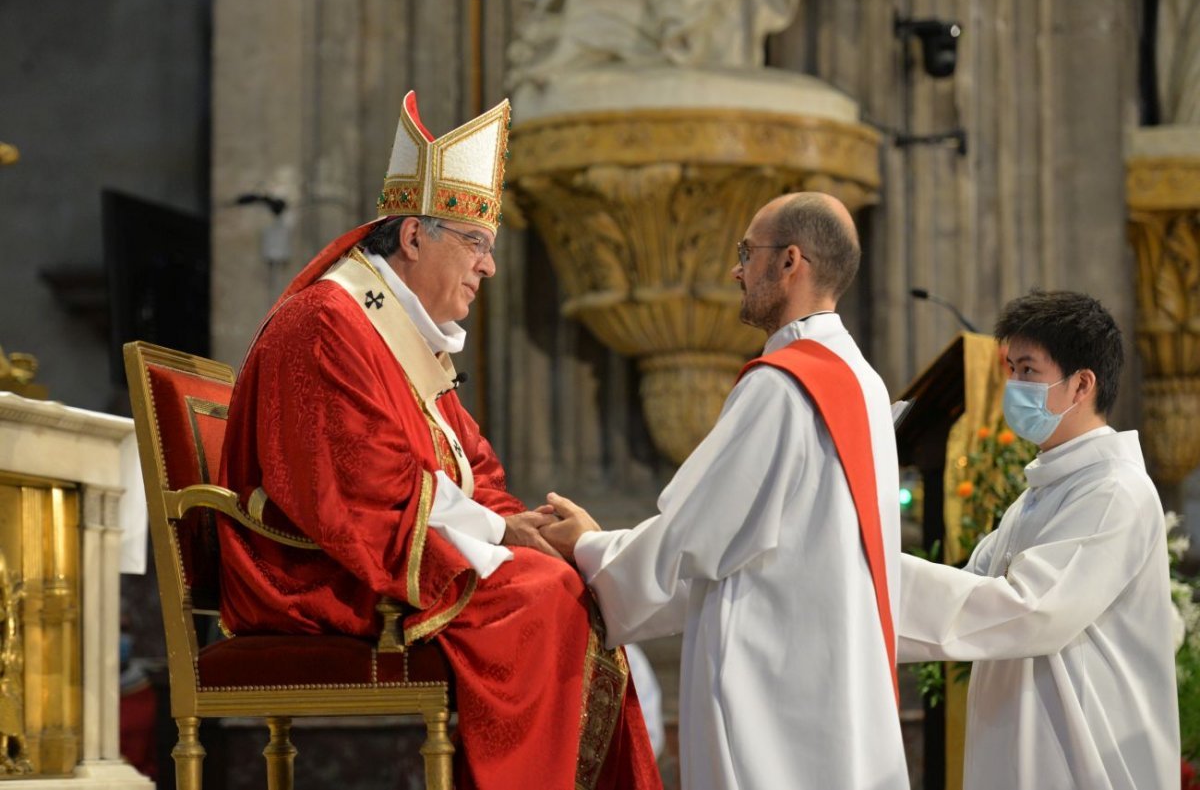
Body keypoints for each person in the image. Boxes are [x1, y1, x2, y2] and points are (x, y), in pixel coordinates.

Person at [217, 91, 661, 790]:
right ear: (415, 238)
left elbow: (468, 464)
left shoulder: (401, 334)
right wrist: (501, 531)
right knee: (544, 593)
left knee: (566, 580)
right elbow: (358, 490)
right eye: (475, 243)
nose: (487, 266)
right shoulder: (327, 324)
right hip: (314, 571)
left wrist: (517, 521)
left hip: (383, 548)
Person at [537, 192, 909, 790]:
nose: (737, 270)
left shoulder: (784, 388)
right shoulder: (862, 381)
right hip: (833, 686)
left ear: (791, 262)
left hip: (773, 700)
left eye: (746, 253)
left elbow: (693, 537)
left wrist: (589, 547)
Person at [897, 290, 1179, 790]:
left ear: (1081, 385)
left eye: (1028, 370)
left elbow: (1029, 612)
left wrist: (872, 575)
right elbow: (967, 591)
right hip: (1025, 751)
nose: (1013, 385)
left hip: (1082, 759)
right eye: (1010, 370)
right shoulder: (1036, 498)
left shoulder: (1114, 493)